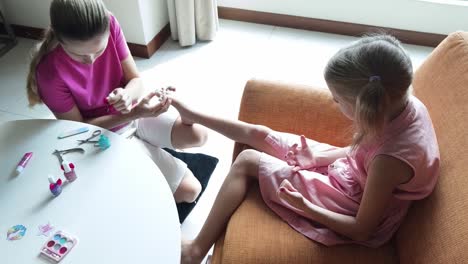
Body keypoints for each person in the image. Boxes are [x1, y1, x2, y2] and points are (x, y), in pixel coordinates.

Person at [170, 34, 440, 263]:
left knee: (248, 159)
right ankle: (194, 115)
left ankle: (195, 250)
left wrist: (306, 206)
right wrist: (318, 157)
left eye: (337, 100)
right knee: (260, 134)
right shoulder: (402, 104)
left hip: (351, 201)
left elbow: (361, 230)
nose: (334, 104)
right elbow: (363, 151)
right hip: (354, 170)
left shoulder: (389, 160)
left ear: (366, 108)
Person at [25, 0, 208, 203]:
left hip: (134, 114)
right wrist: (132, 114)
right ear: (60, 41)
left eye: (99, 50)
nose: (92, 61)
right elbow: (79, 129)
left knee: (199, 135)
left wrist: (128, 95)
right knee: (191, 191)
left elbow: (136, 80)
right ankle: (134, 162)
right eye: (80, 55)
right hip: (101, 135)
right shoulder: (49, 72)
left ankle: (145, 151)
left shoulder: (110, 22)